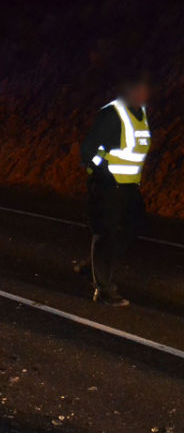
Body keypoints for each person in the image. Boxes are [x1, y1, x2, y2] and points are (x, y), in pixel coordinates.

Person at [78, 72, 151, 306]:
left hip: (129, 187)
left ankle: (94, 266)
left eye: (145, 89)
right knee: (106, 234)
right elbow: (88, 151)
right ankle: (104, 290)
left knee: (134, 228)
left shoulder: (142, 113)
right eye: (138, 89)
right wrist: (102, 174)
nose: (143, 93)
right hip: (109, 185)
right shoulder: (112, 114)